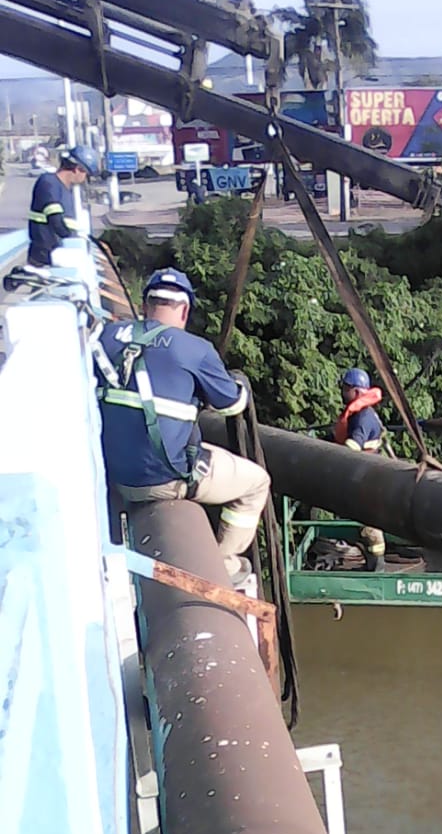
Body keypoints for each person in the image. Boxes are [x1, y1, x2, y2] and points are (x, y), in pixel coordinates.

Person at [93, 267, 270, 586]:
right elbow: (230, 404)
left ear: (145, 305)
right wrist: (239, 385)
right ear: (185, 309)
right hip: (163, 479)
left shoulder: (106, 338)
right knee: (256, 482)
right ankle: (224, 563)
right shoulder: (195, 348)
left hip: (112, 476)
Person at [333, 367, 386, 570]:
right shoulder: (358, 414)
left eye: (346, 388)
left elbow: (353, 447)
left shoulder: (363, 417)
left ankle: (377, 567)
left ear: (356, 392)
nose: (343, 391)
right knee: (363, 521)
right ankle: (372, 562)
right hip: (362, 475)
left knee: (370, 525)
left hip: (368, 477)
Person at [27, 144, 99, 267]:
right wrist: (72, 239)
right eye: (86, 174)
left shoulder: (64, 190)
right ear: (78, 169)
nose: (85, 179)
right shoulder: (49, 184)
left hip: (58, 253)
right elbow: (56, 222)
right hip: (47, 256)